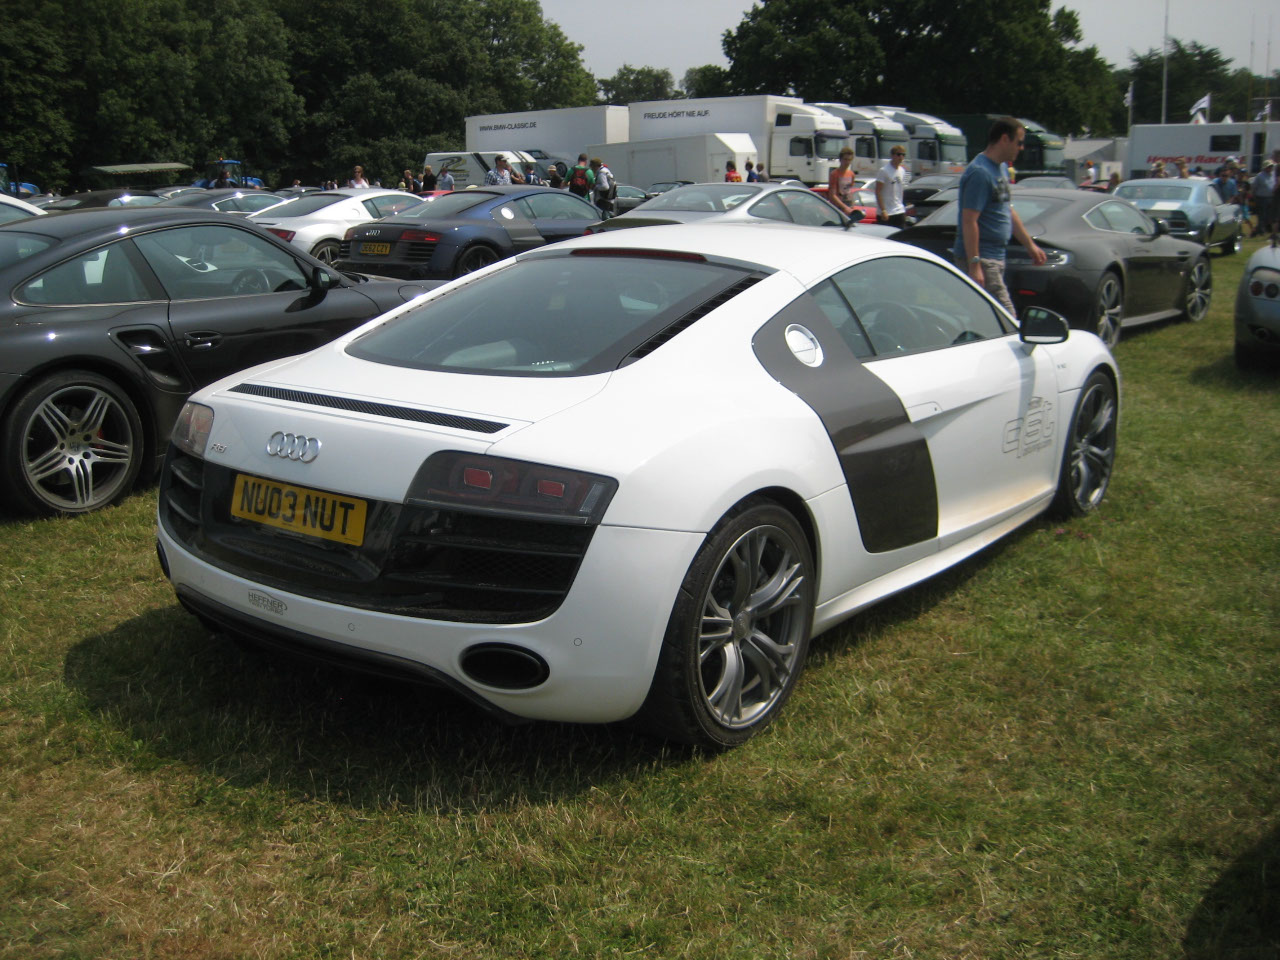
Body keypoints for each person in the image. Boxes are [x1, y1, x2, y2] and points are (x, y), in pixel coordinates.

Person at [952, 116, 1046, 319]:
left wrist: (1030, 246)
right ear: (1005, 139)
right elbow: (969, 221)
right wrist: (974, 265)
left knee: (986, 318)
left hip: (996, 256)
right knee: (1006, 317)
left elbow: (1007, 211)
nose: (1021, 148)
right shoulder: (980, 172)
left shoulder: (1001, 168)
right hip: (983, 258)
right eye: (1019, 142)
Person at [874, 145, 909, 228]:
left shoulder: (902, 171)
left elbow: (901, 190)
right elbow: (878, 191)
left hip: (899, 210)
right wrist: (883, 210)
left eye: (903, 155)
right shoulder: (884, 171)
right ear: (892, 155)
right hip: (887, 212)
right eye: (898, 154)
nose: (901, 157)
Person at [827, 146, 858, 217]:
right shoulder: (835, 174)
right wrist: (844, 207)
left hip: (848, 204)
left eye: (849, 160)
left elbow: (850, 191)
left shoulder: (851, 174)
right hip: (838, 207)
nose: (847, 162)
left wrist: (852, 206)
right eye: (845, 159)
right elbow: (832, 195)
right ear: (840, 160)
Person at [1252, 160, 1276, 236]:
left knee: (1270, 215)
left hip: (1271, 198)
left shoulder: (1273, 175)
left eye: (1271, 166)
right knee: (1262, 215)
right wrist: (1254, 197)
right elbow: (1254, 187)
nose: (1270, 168)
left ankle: (1268, 229)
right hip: (1261, 198)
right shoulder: (1259, 176)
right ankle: (1260, 230)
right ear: (1265, 167)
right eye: (1269, 166)